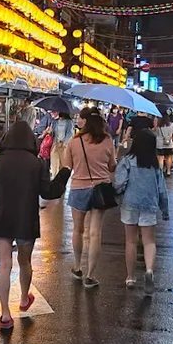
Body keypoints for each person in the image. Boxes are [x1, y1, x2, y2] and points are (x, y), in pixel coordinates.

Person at [0, 121, 65, 330]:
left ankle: (5, 314)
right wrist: (64, 173)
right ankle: (24, 299)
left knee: (4, 265)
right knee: (24, 262)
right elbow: (49, 192)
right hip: (26, 220)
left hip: (2, 219)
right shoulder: (36, 164)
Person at [62, 108, 117, 287]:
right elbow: (112, 166)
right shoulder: (107, 140)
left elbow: (66, 165)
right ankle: (90, 275)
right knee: (95, 233)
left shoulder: (75, 141)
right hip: (100, 189)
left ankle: (78, 266)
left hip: (78, 188)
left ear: (85, 122)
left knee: (78, 230)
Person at [114, 130, 168, 294]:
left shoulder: (127, 161)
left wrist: (117, 194)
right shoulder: (154, 165)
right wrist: (165, 210)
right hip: (149, 205)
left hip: (130, 203)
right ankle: (149, 270)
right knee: (149, 241)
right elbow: (161, 190)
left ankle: (130, 277)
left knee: (130, 241)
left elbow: (118, 183)